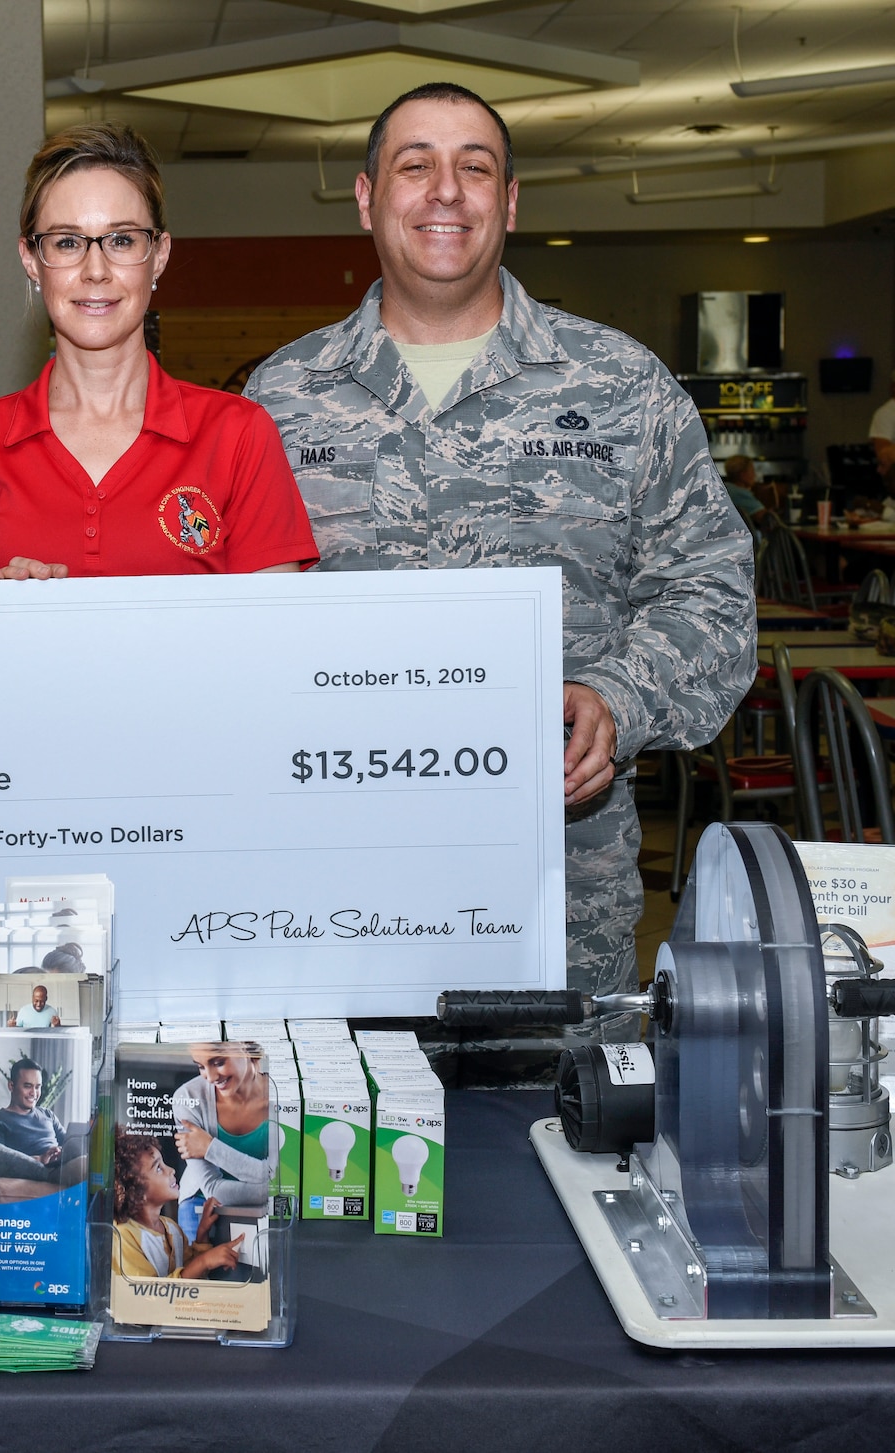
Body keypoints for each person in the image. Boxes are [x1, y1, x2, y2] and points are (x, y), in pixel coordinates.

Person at [244, 83, 755, 1018]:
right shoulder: (279, 400)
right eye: (416, 165)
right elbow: (230, 627)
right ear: (366, 198)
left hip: (560, 911)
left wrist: (618, 698)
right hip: (334, 903)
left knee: (559, 1162)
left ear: (509, 202)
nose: (447, 191)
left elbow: (714, 597)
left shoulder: (621, 387)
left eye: (475, 167)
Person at [0, 122, 317, 582]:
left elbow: (271, 640)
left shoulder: (239, 436)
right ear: (31, 260)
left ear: (158, 254)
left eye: (122, 240)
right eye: (66, 242)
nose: (95, 270)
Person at [170, 1041, 272, 1241]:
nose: (210, 1077)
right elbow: (213, 1190)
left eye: (218, 1062)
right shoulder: (188, 1097)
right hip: (203, 1206)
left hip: (267, 1208)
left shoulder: (282, 1095)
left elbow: (287, 1179)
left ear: (246, 1050)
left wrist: (210, 1148)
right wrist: (270, 1189)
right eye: (200, 1066)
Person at [111, 1130, 243, 1281]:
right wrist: (204, 1261)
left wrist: (202, 1235)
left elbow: (190, 1273)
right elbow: (148, 1296)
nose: (171, 1170)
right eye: (158, 1168)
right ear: (135, 1190)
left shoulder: (172, 1228)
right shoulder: (123, 1236)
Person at [0, 1054, 68, 1178]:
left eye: (38, 1087)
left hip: (62, 1165)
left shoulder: (48, 1114)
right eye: (27, 1086)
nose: (34, 1093)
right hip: (42, 1172)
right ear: (11, 1086)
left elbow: (71, 1144)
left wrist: (59, 1153)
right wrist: (39, 1159)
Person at [721, 455, 768, 527]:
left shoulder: (725, 488)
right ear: (743, 474)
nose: (754, 475)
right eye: (752, 471)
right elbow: (765, 518)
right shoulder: (739, 493)